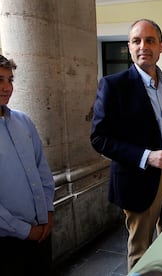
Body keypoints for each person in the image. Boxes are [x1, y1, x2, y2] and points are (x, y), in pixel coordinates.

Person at [90, 19, 162, 271]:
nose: (143, 46)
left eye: (150, 40)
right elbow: (99, 138)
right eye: (136, 41)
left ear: (161, 46)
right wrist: (146, 156)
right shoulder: (113, 85)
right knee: (141, 251)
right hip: (139, 177)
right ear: (129, 46)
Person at [0, 55, 55, 275]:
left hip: (41, 232)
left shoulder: (23, 121)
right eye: (0, 80)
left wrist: (48, 213)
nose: (6, 87)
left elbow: (42, 170)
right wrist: (25, 231)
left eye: (10, 80)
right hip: (7, 241)